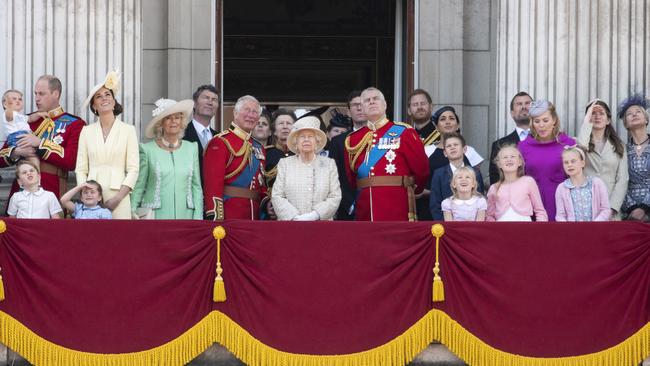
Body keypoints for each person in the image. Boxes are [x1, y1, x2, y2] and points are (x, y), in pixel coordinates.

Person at [344, 87, 429, 221]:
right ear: (363, 108)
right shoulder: (353, 139)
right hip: (365, 209)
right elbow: (352, 178)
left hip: (397, 206)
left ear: (385, 105)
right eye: (367, 100)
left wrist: (415, 191)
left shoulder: (405, 132)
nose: (371, 102)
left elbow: (421, 169)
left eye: (376, 99)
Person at [0, 75, 86, 203]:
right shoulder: (25, 120)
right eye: (35, 94)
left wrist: (40, 144)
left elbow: (71, 162)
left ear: (55, 94)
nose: (36, 98)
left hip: (52, 190)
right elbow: (1, 159)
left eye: (41, 94)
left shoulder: (75, 124)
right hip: (21, 192)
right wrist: (16, 152)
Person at [75, 70, 139, 219]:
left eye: (107, 94)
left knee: (119, 239)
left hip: (119, 195)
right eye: (98, 96)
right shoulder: (86, 131)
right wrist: (87, 194)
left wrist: (118, 198)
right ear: (94, 106)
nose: (104, 98)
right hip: (91, 196)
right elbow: (81, 168)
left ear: (114, 101)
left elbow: (133, 169)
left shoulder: (128, 130)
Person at [131, 99, 203, 220]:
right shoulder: (147, 150)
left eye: (177, 117)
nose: (173, 121)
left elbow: (196, 187)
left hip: (186, 216)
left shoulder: (192, 148)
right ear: (161, 123)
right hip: (156, 217)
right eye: (168, 118)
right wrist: (132, 210)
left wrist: (198, 217)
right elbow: (140, 185)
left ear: (182, 122)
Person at [203, 95, 267, 220]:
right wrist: (215, 215)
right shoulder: (220, 142)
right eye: (247, 110)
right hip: (229, 214)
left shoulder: (259, 147)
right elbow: (213, 184)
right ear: (235, 113)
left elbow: (260, 184)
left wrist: (266, 203)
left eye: (255, 112)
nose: (251, 115)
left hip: (255, 216)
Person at [271, 116, 341, 220]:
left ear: (317, 142)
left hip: (321, 226)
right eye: (302, 136)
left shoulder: (329, 164)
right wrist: (294, 217)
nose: (306, 140)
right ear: (296, 142)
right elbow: (277, 195)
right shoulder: (285, 164)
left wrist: (315, 215)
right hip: (290, 225)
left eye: (311, 136)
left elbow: (335, 196)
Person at [518, 100, 575, 221]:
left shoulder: (568, 143)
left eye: (545, 120)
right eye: (537, 121)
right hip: (533, 204)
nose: (541, 125)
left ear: (554, 120)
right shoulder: (523, 146)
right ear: (532, 123)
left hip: (561, 203)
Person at [577, 100, 628, 219]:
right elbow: (580, 150)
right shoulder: (580, 142)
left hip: (611, 209)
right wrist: (586, 122)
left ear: (608, 120)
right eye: (593, 113)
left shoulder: (619, 145)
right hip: (585, 206)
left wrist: (612, 208)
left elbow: (623, 179)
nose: (597, 116)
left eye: (601, 113)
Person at [429, 132, 485, 220]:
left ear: (464, 149)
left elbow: (480, 196)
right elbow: (435, 203)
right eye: (448, 146)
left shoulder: (475, 172)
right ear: (445, 153)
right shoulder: (439, 174)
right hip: (447, 226)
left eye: (456, 144)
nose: (452, 147)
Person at [329, 90, 366, 220]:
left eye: (363, 104)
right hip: (347, 209)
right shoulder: (338, 142)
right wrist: (349, 204)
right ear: (349, 112)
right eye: (355, 105)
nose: (360, 108)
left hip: (375, 205)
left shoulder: (381, 138)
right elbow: (334, 177)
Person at [486, 145, 547, 221]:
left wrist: (538, 230)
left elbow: (540, 211)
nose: (509, 159)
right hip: (501, 230)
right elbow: (489, 216)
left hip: (525, 229)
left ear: (520, 162)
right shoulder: (494, 188)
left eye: (513, 156)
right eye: (505, 157)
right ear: (499, 164)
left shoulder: (528, 182)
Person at [407, 89, 441, 221]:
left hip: (436, 202)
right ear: (409, 110)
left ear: (431, 107)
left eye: (423, 103)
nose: (419, 107)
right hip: (410, 202)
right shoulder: (405, 136)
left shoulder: (443, 136)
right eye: (415, 105)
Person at [555, 146, 610, 221]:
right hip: (573, 231)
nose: (569, 165)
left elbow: (605, 210)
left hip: (596, 229)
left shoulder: (597, 184)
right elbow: (560, 216)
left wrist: (595, 224)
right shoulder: (561, 188)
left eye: (573, 161)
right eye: (566, 162)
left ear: (582, 163)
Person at [489, 91, 533, 184]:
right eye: (519, 104)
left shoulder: (545, 140)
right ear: (512, 113)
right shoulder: (498, 145)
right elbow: (495, 180)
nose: (524, 107)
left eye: (527, 103)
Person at [618, 94, 650, 221]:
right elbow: (619, 181)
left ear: (646, 119)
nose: (634, 114)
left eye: (638, 112)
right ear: (626, 123)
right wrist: (632, 208)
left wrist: (644, 207)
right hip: (629, 213)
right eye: (629, 114)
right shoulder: (622, 150)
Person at [183, 85, 219, 178]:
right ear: (194, 104)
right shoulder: (181, 134)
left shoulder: (221, 138)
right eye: (206, 98)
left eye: (214, 100)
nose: (210, 102)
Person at [264, 109, 297, 189]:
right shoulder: (265, 154)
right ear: (274, 131)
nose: (285, 126)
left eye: (289, 123)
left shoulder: (302, 154)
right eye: (281, 123)